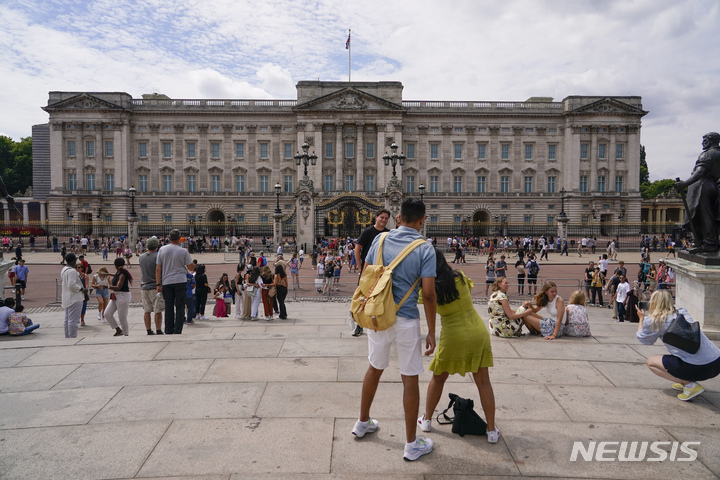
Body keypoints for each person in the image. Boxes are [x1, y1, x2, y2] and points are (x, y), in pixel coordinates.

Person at [352, 198, 437, 461]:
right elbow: (429, 294)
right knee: (409, 377)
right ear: (422, 220)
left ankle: (362, 422)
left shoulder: (380, 240)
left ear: (398, 217)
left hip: (378, 314)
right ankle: (411, 444)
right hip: (405, 319)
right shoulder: (425, 248)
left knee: (374, 367)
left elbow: (366, 274)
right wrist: (432, 331)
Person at [417, 249, 499, 443]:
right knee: (484, 382)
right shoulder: (460, 276)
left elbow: (421, 299)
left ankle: (427, 420)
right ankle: (491, 430)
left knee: (438, 379)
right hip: (477, 331)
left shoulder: (428, 289)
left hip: (452, 335)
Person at [636, 290, 720, 401]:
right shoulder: (682, 312)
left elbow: (643, 339)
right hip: (716, 362)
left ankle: (689, 384)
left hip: (699, 368)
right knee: (681, 355)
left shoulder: (656, 321)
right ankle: (682, 378)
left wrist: (641, 319)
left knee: (651, 362)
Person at [675, 132, 720, 254]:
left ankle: (708, 244)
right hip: (715, 186)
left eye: (705, 140)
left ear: (711, 141)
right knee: (711, 215)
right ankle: (709, 242)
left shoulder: (707, 154)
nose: (702, 143)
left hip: (702, 187)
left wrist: (685, 184)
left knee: (702, 216)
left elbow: (699, 172)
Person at [352, 208, 391, 336]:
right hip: (367, 270)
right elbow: (357, 249)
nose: (384, 220)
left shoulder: (388, 233)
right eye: (382, 217)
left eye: (386, 218)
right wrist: (359, 267)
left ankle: (379, 320)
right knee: (363, 296)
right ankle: (359, 324)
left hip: (381, 271)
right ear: (376, 217)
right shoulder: (368, 232)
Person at [156, 229, 194, 334]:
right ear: (179, 238)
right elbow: (190, 267)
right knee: (180, 306)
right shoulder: (183, 251)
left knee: (169, 306)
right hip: (180, 281)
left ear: (169, 238)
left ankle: (168, 329)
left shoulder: (162, 250)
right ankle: (178, 330)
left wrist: (158, 284)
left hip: (167, 281)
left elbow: (158, 268)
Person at [139, 238, 164, 335]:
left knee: (147, 310)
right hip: (155, 286)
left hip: (144, 285)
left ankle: (148, 330)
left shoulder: (141, 257)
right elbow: (158, 270)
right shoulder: (158, 257)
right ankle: (158, 329)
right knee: (158, 310)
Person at [104, 257, 132, 336]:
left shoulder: (122, 274)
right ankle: (118, 330)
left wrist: (107, 287)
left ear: (115, 265)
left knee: (122, 318)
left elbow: (118, 287)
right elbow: (116, 275)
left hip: (123, 296)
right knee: (107, 313)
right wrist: (108, 274)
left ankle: (126, 334)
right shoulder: (119, 272)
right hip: (116, 295)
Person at [61, 253, 85, 338]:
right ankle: (73, 337)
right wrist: (81, 289)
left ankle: (68, 336)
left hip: (67, 297)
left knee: (67, 319)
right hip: (74, 297)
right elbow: (71, 284)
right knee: (73, 320)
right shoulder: (72, 271)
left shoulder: (64, 269)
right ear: (74, 260)